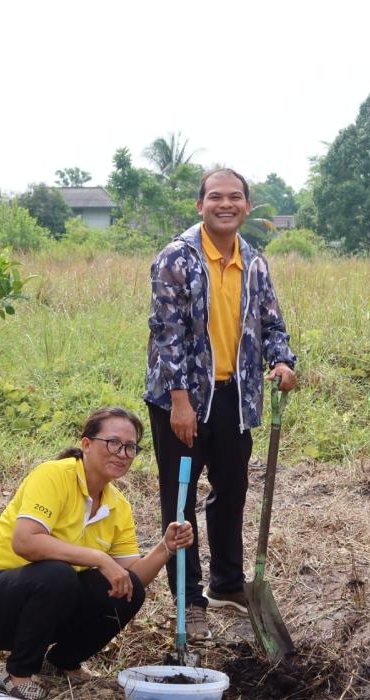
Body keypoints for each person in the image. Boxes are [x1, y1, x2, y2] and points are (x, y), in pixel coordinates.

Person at [144, 168, 297, 640]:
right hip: (183, 397)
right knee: (181, 498)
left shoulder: (253, 260)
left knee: (230, 492)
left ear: (247, 206)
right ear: (200, 206)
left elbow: (272, 321)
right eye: (215, 197)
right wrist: (178, 402)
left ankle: (227, 584)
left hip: (236, 395)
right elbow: (165, 333)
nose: (225, 204)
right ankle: (188, 597)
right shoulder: (177, 257)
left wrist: (283, 360)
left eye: (234, 197)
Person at [0, 407, 194, 700]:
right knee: (57, 573)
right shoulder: (53, 475)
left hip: (46, 609)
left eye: (130, 447)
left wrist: (166, 547)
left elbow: (132, 577)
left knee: (129, 590)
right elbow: (26, 542)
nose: (122, 453)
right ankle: (18, 673)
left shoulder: (118, 506)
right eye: (114, 443)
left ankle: (63, 661)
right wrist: (99, 558)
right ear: (86, 444)